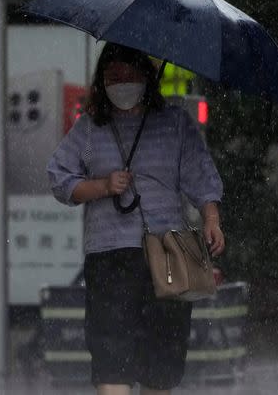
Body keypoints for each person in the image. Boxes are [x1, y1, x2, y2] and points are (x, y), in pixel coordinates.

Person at [47, 43, 225, 395]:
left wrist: (211, 217)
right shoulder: (89, 132)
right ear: (101, 82)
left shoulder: (174, 123)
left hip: (169, 252)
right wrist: (101, 186)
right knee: (111, 353)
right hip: (110, 254)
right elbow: (60, 178)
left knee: (162, 357)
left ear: (147, 77)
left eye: (130, 75)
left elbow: (200, 175)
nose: (122, 83)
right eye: (114, 76)